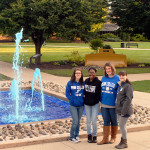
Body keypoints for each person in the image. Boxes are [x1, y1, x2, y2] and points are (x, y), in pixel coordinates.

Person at [97, 62, 120, 145]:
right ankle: (105, 139)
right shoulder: (103, 78)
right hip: (103, 103)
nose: (108, 70)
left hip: (113, 104)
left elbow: (122, 90)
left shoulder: (117, 78)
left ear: (112, 69)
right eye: (106, 69)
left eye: (109, 68)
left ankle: (113, 137)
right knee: (106, 121)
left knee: (113, 121)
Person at [115, 71, 133, 149]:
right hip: (119, 109)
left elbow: (128, 100)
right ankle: (122, 141)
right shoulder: (121, 85)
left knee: (122, 126)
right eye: (120, 76)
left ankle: (124, 142)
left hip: (125, 110)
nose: (121, 77)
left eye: (123, 76)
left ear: (126, 76)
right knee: (122, 126)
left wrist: (123, 112)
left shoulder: (128, 86)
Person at [66, 68, 84, 143]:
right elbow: (67, 93)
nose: (78, 74)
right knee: (75, 121)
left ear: (81, 74)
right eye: (77, 73)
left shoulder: (83, 83)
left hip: (81, 105)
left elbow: (86, 92)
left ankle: (76, 136)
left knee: (78, 121)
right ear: (74, 74)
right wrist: (72, 99)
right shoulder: (70, 83)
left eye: (79, 73)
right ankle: (71, 137)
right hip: (73, 105)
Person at [84, 67, 101, 143]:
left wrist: (95, 100)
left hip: (95, 105)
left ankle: (94, 135)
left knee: (94, 120)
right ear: (88, 73)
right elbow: (84, 92)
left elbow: (99, 94)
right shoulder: (86, 81)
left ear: (95, 73)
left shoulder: (98, 82)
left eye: (93, 72)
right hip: (87, 104)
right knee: (88, 121)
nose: (91, 74)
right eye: (90, 72)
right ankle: (89, 135)